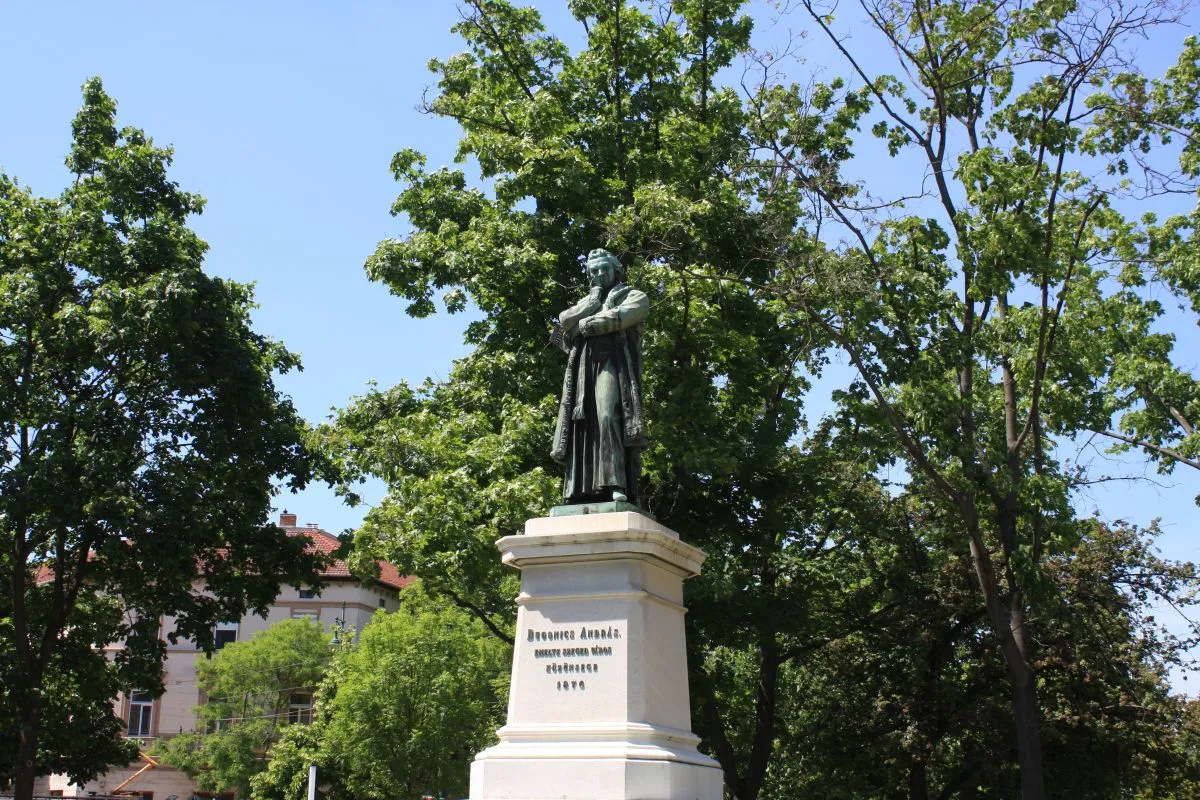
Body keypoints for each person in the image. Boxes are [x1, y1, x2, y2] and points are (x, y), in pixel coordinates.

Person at [551, 249, 649, 504]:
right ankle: (578, 491)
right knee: (581, 426)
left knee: (607, 416)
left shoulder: (634, 296)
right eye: (593, 271)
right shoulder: (588, 301)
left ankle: (615, 483)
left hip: (612, 364)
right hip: (583, 368)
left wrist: (583, 324)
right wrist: (591, 304)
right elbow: (560, 331)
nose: (599, 274)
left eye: (603, 269)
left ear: (615, 270)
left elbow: (620, 317)